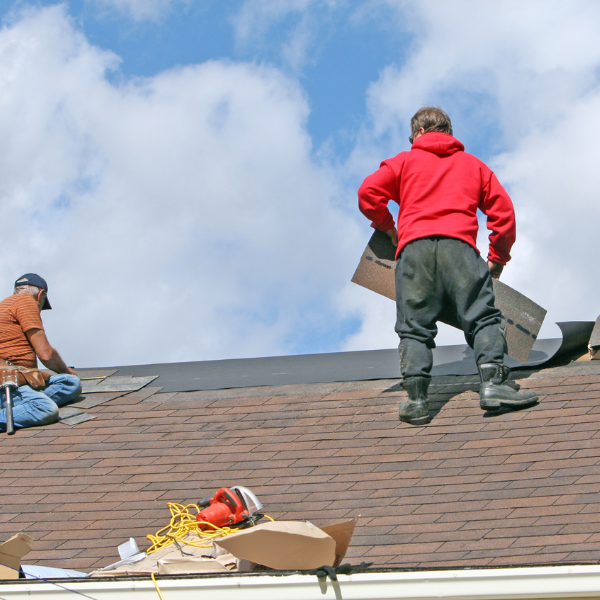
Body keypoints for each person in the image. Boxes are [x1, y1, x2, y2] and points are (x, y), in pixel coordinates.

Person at [358, 107, 538, 425]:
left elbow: (368, 193)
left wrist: (389, 227)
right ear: (449, 132)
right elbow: (504, 214)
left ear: (418, 134)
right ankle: (493, 385)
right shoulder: (473, 166)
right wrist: (498, 257)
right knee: (483, 318)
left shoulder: (401, 162)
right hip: (461, 251)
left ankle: (416, 400)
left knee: (414, 328)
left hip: (414, 252)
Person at [0, 273, 81, 431]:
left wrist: (66, 375)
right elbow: (46, 354)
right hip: (7, 382)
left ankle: (24, 406)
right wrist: (66, 370)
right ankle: (17, 410)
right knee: (45, 409)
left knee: (70, 383)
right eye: (42, 304)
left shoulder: (6, 304)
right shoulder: (26, 302)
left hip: (18, 376)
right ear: (40, 294)